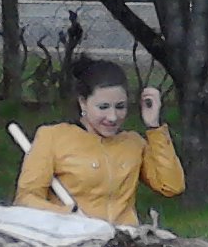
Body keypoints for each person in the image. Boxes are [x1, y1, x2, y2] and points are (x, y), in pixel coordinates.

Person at [15, 58, 185, 224]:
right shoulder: (53, 137)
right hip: (70, 236)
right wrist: (68, 216)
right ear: (83, 103)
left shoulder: (134, 143)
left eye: (120, 107)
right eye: (103, 107)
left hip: (124, 238)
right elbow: (26, 199)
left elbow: (172, 186)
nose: (112, 117)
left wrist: (154, 127)